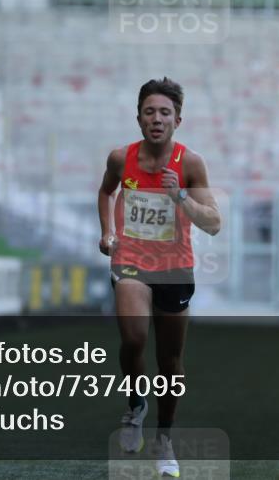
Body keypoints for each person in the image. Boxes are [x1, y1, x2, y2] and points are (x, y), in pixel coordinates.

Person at [97, 78, 221, 478]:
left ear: (177, 120)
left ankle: (164, 438)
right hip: (131, 261)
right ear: (138, 117)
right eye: (149, 111)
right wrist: (107, 232)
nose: (156, 119)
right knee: (134, 337)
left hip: (174, 268)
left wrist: (181, 197)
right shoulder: (121, 158)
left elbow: (214, 223)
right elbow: (106, 192)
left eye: (164, 112)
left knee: (170, 361)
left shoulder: (190, 163)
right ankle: (135, 405)